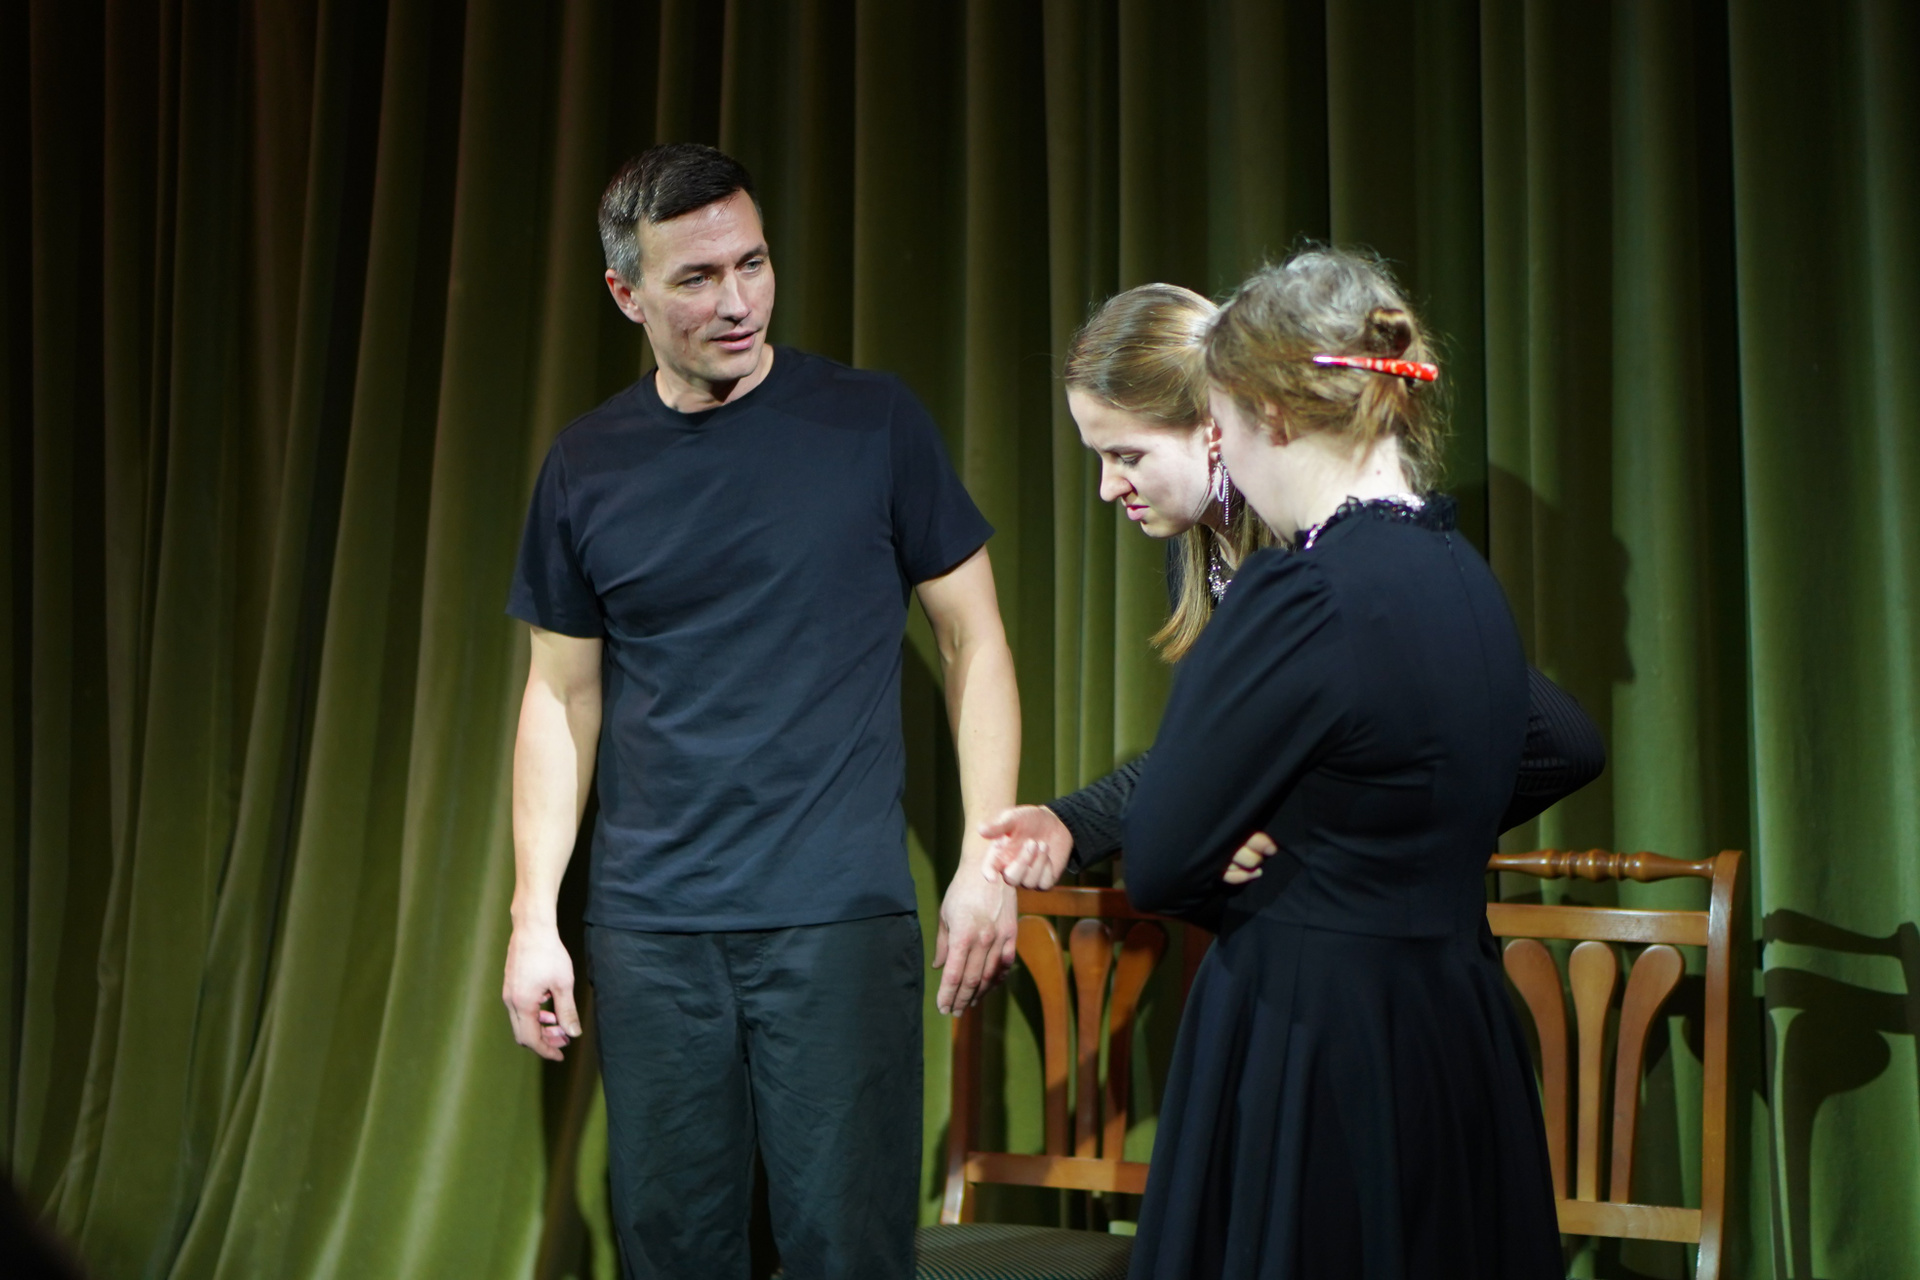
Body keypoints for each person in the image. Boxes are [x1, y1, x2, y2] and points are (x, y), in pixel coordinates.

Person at [501, 143, 1020, 1279]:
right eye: (697, 278)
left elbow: (973, 639)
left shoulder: (872, 422)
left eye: (753, 263)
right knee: (674, 1249)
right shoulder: (586, 465)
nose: (737, 301)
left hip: (835, 920)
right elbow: (559, 694)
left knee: (846, 1248)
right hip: (653, 932)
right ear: (626, 294)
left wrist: (985, 857)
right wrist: (534, 915)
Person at [1119, 248, 1581, 1277]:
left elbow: (1156, 860)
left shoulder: (1301, 594)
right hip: (1456, 1032)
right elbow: (1546, 746)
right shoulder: (1467, 578)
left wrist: (1287, 851)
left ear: (1272, 415)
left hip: (1311, 1037)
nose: (1229, 459)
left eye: (1224, 428)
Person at [982, 283, 1601, 891]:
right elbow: (1218, 755)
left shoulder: (1337, 564)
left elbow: (1561, 745)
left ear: (1213, 426)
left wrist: (1337, 841)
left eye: (1128, 456)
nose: (1107, 487)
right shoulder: (1196, 552)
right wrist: (1070, 823)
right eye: (1099, 456)